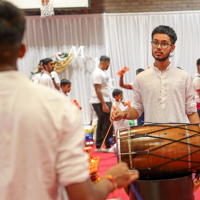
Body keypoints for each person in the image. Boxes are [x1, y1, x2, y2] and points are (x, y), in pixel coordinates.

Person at [0, 1, 139, 200]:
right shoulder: (57, 108)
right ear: (22, 51)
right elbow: (83, 196)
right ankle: (101, 143)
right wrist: (111, 180)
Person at [111, 25, 200, 125]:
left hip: (178, 136)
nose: (158, 46)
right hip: (151, 137)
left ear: (172, 48)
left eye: (164, 44)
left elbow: (191, 110)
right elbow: (137, 109)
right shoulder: (141, 78)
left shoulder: (184, 77)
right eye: (155, 42)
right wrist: (123, 114)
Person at [90, 55, 113, 152]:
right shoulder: (97, 73)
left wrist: (109, 101)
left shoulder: (102, 73)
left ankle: (99, 146)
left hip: (104, 99)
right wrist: (103, 104)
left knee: (101, 122)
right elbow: (97, 89)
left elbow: (105, 89)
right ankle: (107, 146)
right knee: (106, 123)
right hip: (99, 101)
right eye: (109, 64)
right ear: (106, 62)